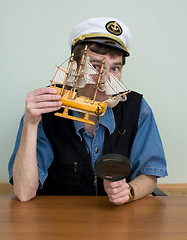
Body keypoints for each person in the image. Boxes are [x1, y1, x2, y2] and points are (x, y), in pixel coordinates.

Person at [8, 17, 167, 205]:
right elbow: (24, 193)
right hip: (58, 219)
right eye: (96, 67)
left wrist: (129, 191)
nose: (104, 80)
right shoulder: (47, 108)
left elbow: (150, 174)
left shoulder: (138, 108)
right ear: (75, 66)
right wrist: (30, 124)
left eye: (114, 68)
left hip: (116, 221)